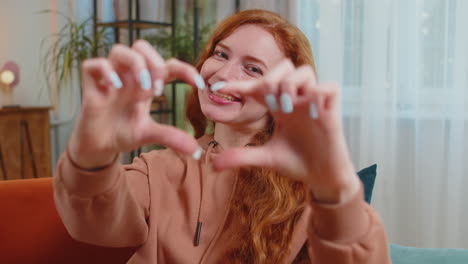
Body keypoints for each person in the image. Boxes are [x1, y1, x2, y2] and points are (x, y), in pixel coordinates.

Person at [53, 9, 390, 263]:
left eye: (252, 68)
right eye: (221, 54)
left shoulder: (309, 187)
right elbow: (90, 224)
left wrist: (336, 188)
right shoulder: (159, 167)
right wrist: (91, 153)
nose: (224, 75)